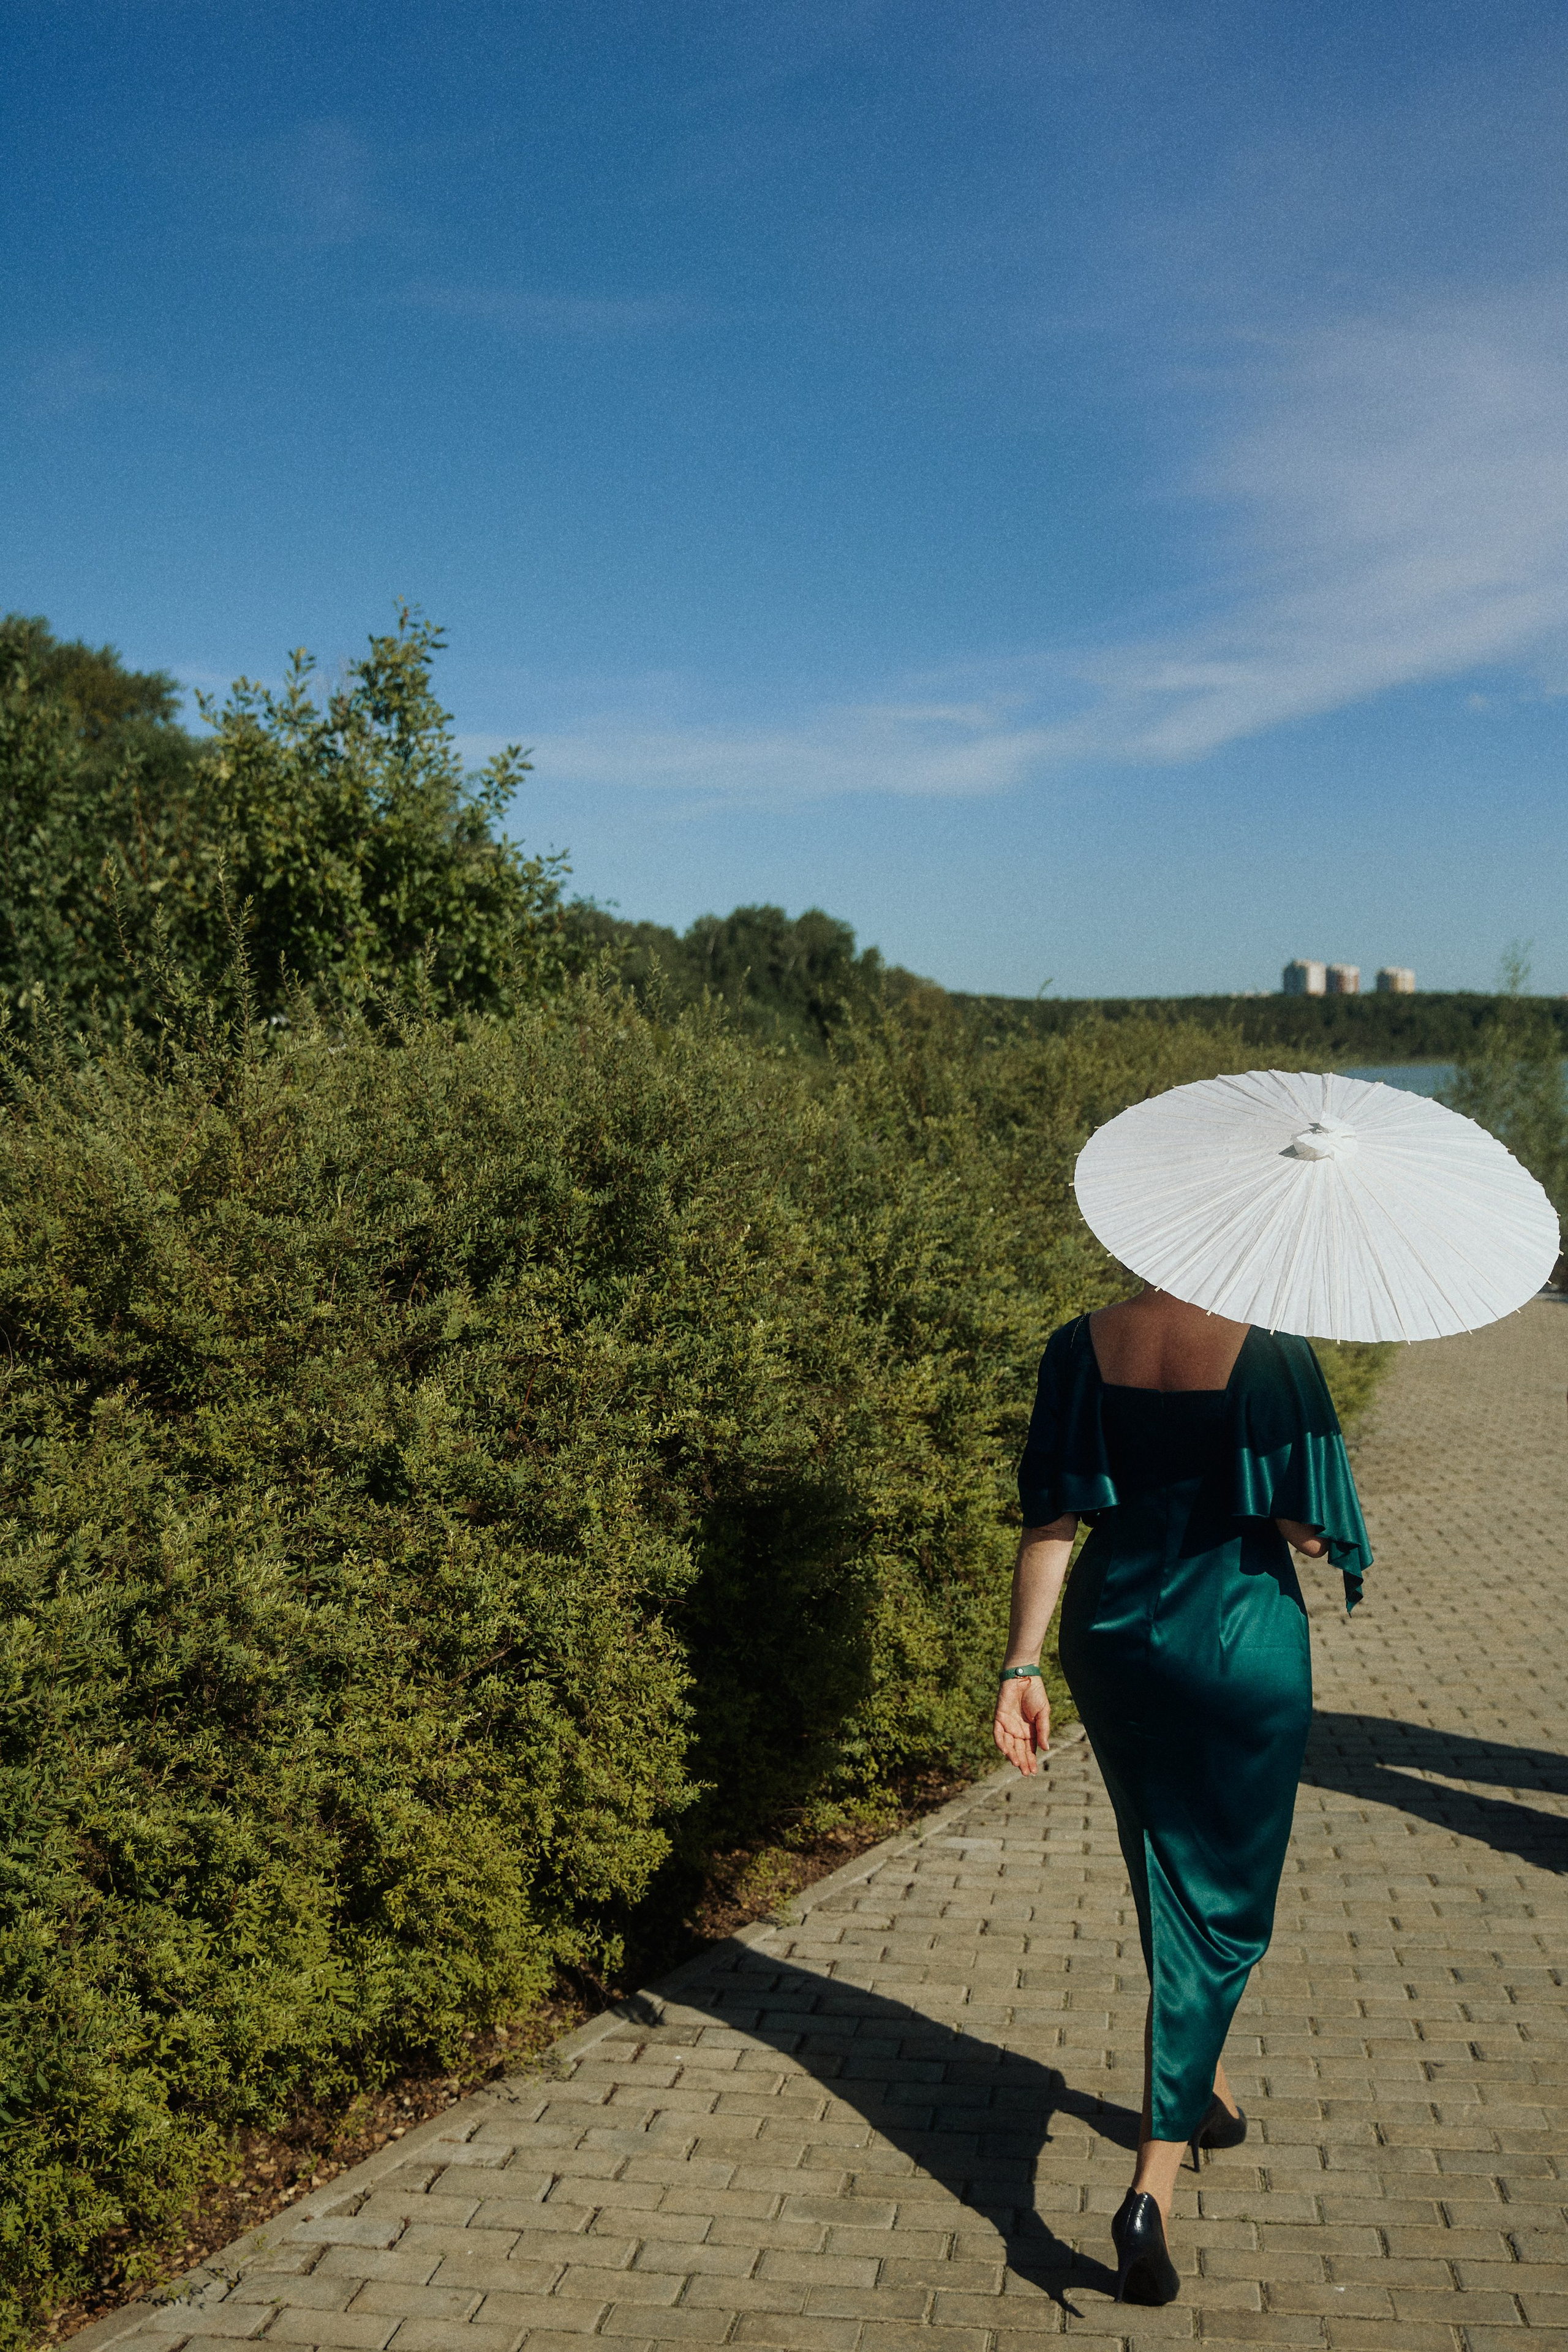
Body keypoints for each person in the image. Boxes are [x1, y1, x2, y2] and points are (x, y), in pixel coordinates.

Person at [992, 1284, 1371, 2307]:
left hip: (1114, 1641)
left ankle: (1206, 2090)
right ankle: (1150, 2191)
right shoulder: (1277, 1352)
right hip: (1238, 1642)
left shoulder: (1079, 1344)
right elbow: (1302, 1525)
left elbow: (1053, 1515)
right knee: (1227, 1910)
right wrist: (1320, 1519)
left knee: (1166, 1867)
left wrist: (1018, 1667)